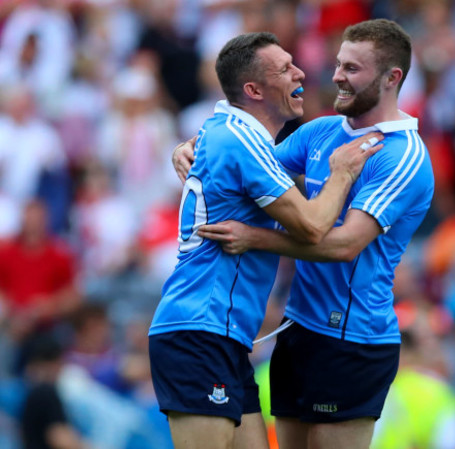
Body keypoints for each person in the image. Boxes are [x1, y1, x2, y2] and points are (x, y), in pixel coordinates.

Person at [178, 19, 433, 449]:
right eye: (338, 64)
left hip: (352, 339)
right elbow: (248, 167)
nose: (336, 76)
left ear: (393, 79)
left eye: (353, 69)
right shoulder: (321, 131)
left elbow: (345, 244)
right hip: (299, 330)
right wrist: (187, 148)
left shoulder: (402, 155)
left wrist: (256, 238)